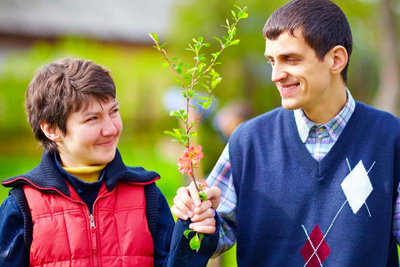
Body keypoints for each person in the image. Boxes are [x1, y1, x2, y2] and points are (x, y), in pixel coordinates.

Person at [171, 0, 400, 266]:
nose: (276, 75)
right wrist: (198, 214)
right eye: (271, 61)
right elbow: (215, 235)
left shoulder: (390, 138)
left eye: (291, 59)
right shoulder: (248, 142)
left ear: (336, 59)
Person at [0, 58, 219, 267]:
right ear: (51, 129)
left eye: (114, 111)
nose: (111, 129)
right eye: (92, 118)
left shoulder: (147, 194)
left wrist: (193, 227)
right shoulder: (22, 205)